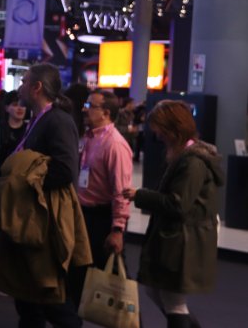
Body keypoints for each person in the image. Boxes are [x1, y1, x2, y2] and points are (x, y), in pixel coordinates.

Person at [123, 100, 223, 328]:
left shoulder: (193, 162)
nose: (156, 133)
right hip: (179, 239)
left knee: (173, 302)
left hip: (183, 242)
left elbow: (178, 204)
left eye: (159, 128)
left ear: (172, 128)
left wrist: (140, 195)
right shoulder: (186, 157)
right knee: (160, 294)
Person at [14, 62, 81, 328]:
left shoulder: (58, 121)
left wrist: (28, 181)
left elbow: (65, 170)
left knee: (49, 296)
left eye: (24, 81)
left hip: (46, 219)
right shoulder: (41, 118)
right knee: (29, 300)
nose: (20, 87)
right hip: (35, 216)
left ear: (37, 87)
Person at [73, 90, 133, 305]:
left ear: (106, 113)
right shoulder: (89, 138)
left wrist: (117, 229)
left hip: (103, 219)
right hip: (84, 216)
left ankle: (130, 320)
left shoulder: (115, 144)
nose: (84, 109)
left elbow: (121, 191)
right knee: (76, 280)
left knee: (117, 288)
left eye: (90, 106)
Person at [0, 90, 27, 166]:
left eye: (22, 105)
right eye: (15, 105)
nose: (20, 108)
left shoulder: (29, 128)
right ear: (7, 108)